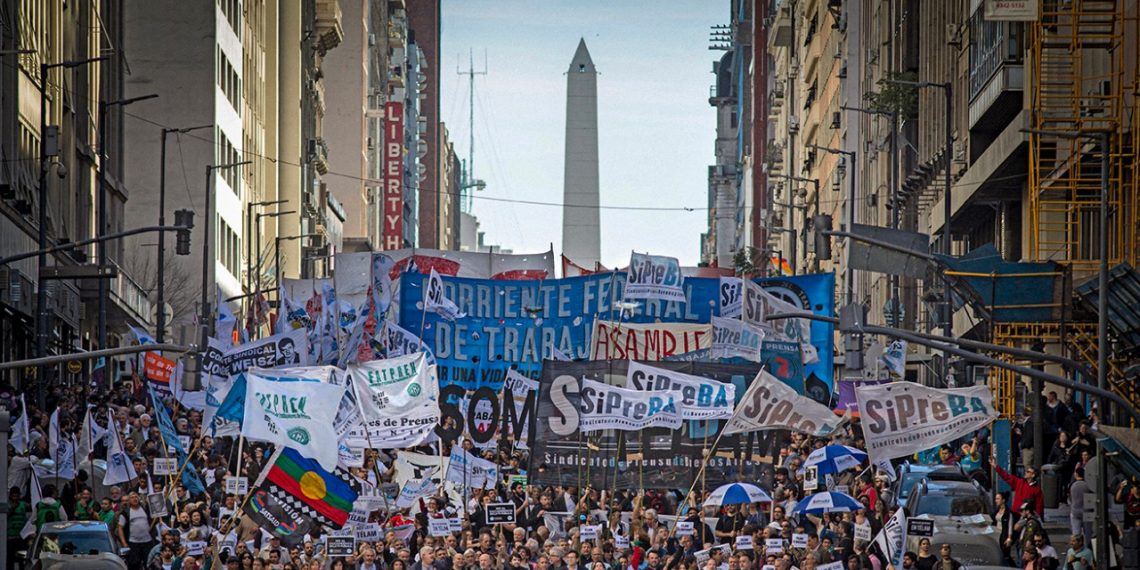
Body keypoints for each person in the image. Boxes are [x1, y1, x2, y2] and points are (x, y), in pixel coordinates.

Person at [118, 492, 154, 569]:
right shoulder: (126, 513)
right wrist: (124, 542)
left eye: (136, 497)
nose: (135, 499)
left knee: (149, 564)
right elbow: (120, 528)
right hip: (134, 543)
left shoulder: (145, 509)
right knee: (134, 565)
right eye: (132, 497)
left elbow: (151, 520)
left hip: (147, 542)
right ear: (129, 501)